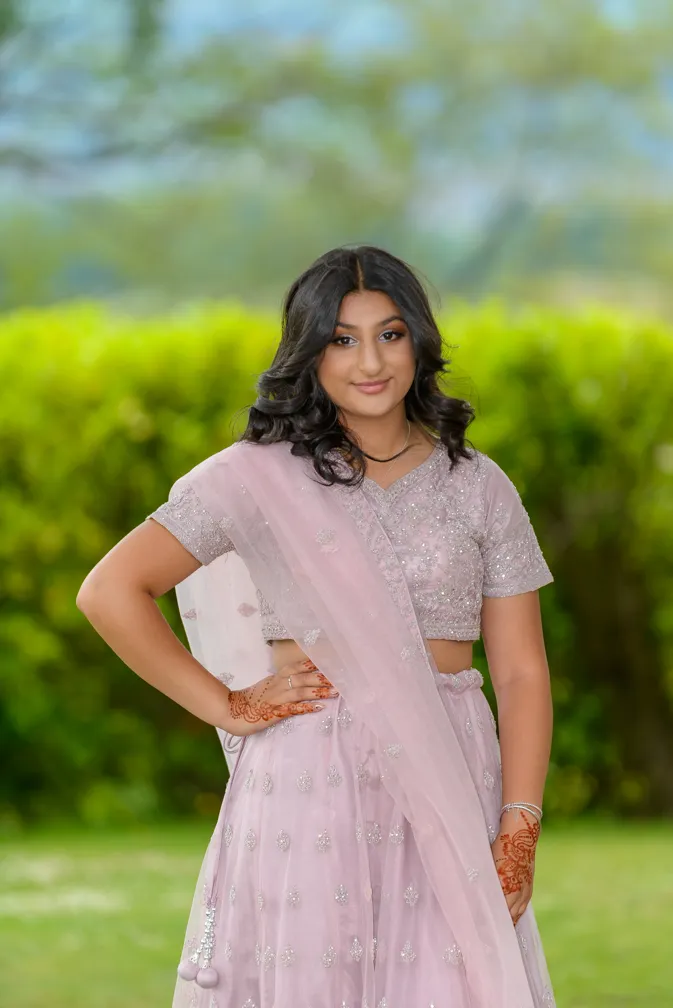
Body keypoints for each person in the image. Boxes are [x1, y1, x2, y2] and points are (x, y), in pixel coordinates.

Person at [76, 244, 556, 1008]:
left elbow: (522, 672)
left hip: (453, 768)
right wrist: (226, 704)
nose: (370, 360)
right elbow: (110, 591)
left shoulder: (479, 485)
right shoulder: (257, 476)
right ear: (309, 352)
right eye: (341, 339)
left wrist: (520, 822)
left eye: (390, 334)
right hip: (310, 779)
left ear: (420, 342)